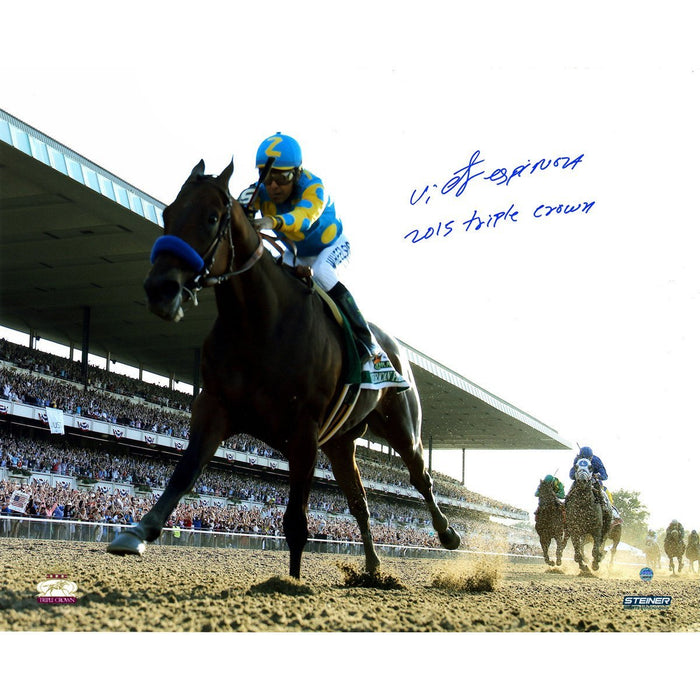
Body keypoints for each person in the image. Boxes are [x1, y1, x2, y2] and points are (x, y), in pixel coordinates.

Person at [238, 133, 404, 379]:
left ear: (296, 173)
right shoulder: (259, 191)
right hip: (296, 253)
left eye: (281, 178)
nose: (273, 186)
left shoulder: (314, 187)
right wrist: (241, 209)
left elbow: (305, 218)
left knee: (324, 272)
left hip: (332, 247)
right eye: (267, 176)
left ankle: (368, 343)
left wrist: (272, 221)